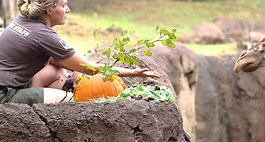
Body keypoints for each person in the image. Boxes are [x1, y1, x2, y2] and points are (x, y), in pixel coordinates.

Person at [0, 0, 160, 106]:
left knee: (58, 72)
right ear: (50, 9)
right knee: (70, 101)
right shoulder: (45, 36)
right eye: (64, 5)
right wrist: (133, 72)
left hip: (8, 82)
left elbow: (59, 60)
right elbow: (90, 68)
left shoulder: (22, 19)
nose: (68, 10)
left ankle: (33, 100)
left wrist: (76, 68)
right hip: (4, 95)